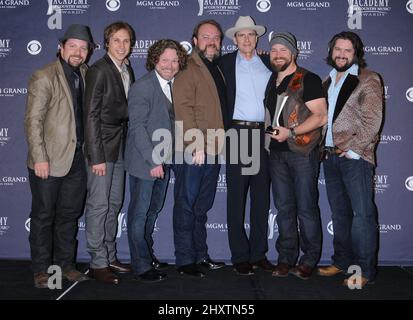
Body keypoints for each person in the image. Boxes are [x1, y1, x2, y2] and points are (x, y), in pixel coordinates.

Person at [24, 24, 94, 288]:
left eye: (83, 48)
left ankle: (66, 265)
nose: (78, 52)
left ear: (88, 52)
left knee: (69, 215)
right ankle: (42, 269)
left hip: (76, 159)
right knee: (43, 216)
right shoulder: (44, 75)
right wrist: (39, 156)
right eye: (73, 46)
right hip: (48, 160)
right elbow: (33, 120)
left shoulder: (86, 73)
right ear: (61, 47)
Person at [317, 31, 383, 288]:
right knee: (340, 214)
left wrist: (354, 150)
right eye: (338, 49)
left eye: (347, 50)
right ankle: (342, 261)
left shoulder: (367, 79)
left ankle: (365, 270)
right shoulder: (327, 81)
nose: (341, 54)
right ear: (331, 51)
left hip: (355, 157)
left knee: (362, 215)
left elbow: (372, 119)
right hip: (330, 156)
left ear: (356, 54)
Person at [264, 32, 327, 280]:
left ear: (294, 53)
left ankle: (309, 259)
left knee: (306, 208)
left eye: (283, 50)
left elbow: (320, 116)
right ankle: (286, 258)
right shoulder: (272, 79)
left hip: (302, 152)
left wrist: (290, 132)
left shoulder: (307, 79)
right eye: (274, 50)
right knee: (284, 208)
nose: (278, 54)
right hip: (276, 154)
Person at [125, 39, 187, 282]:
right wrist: (153, 162)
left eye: (174, 61)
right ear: (154, 60)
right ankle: (140, 265)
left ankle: (146, 254)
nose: (170, 65)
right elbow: (137, 128)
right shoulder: (143, 86)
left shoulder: (175, 86)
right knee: (140, 214)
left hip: (165, 160)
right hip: (145, 163)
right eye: (165, 60)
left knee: (152, 211)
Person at [217, 16, 274, 275]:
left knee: (261, 198)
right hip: (238, 134)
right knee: (237, 198)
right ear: (234, 39)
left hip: (264, 135)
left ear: (257, 38)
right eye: (241, 35)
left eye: (251, 34)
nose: (247, 39)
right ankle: (240, 255)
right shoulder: (223, 64)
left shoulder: (268, 62)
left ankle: (258, 253)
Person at [172, 19, 226, 278]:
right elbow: (183, 109)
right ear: (194, 40)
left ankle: (200, 255)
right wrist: (196, 146)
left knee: (201, 207)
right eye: (205, 37)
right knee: (186, 204)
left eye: (216, 37)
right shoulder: (187, 67)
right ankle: (184, 259)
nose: (211, 41)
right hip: (194, 149)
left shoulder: (216, 67)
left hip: (213, 148)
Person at [84, 21, 135, 284]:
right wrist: (96, 157)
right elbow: (90, 115)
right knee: (99, 205)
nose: (122, 45)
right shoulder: (99, 70)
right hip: (102, 147)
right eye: (116, 40)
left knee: (114, 204)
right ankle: (97, 262)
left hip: (120, 147)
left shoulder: (126, 68)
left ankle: (110, 255)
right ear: (107, 43)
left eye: (126, 41)